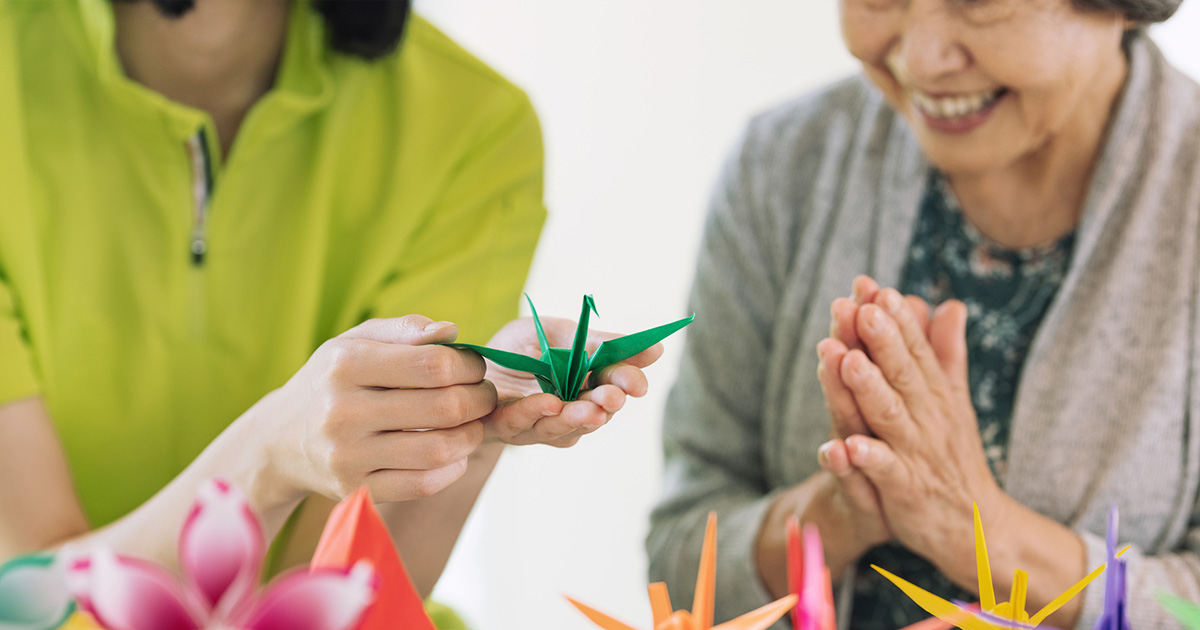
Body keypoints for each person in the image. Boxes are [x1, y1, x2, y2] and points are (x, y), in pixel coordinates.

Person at [0, 0, 660, 610]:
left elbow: (330, 596)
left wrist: (470, 422)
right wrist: (271, 452)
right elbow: (29, 604)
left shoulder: (469, 123)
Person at [648, 0, 1200, 628]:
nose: (920, 59)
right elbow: (678, 560)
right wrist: (841, 509)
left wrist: (978, 533)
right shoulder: (782, 166)